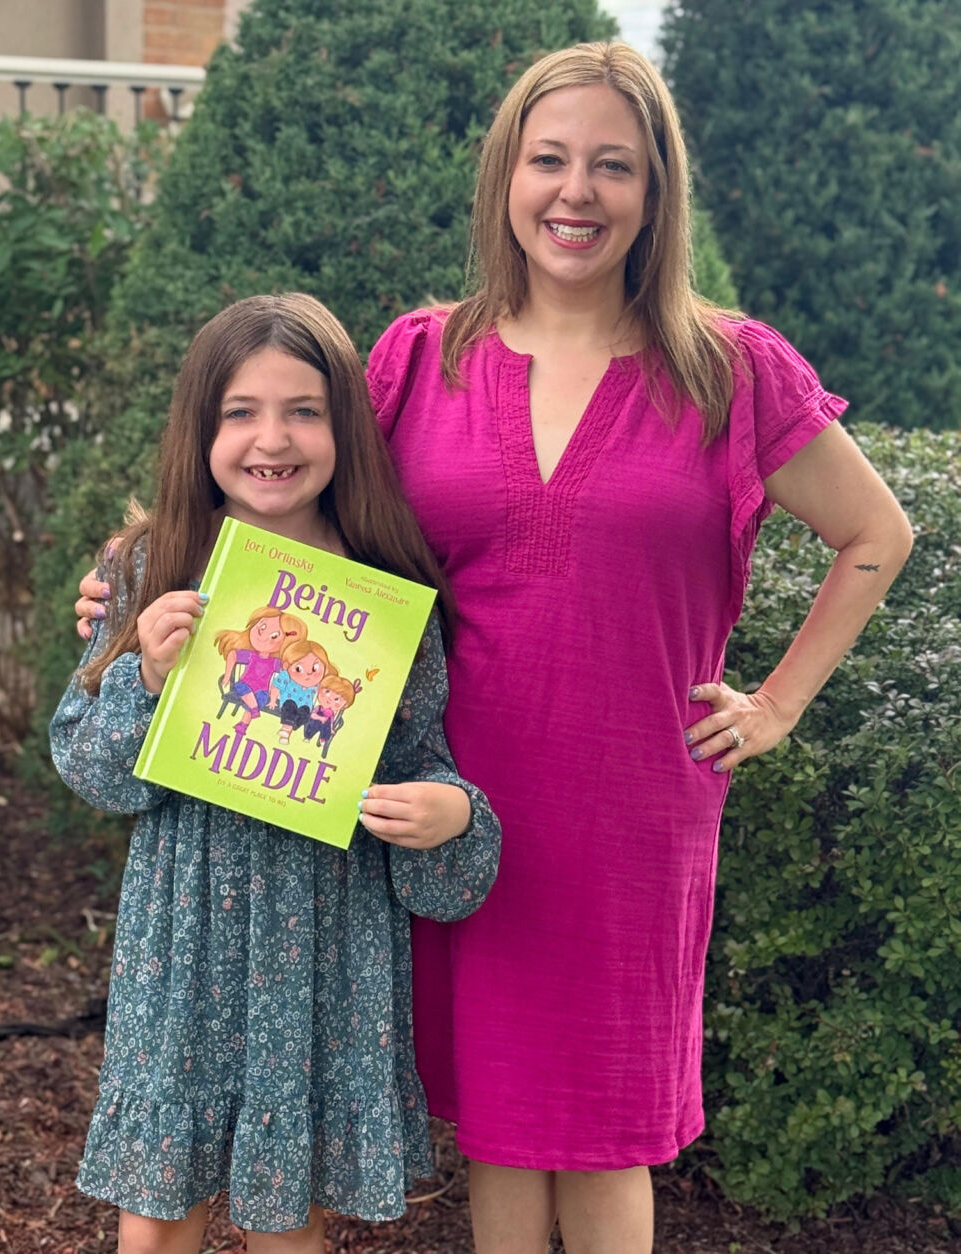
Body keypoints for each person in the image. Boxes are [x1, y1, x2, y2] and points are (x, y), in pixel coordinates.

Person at [76, 42, 914, 1254]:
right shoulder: (422, 355)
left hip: (629, 809)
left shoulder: (727, 367)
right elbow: (292, 493)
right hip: (442, 804)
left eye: (611, 167)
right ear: (505, 179)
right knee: (500, 1131)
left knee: (608, 1130)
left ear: (654, 191)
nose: (576, 193)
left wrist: (778, 703)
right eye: (550, 160)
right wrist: (138, 572)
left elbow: (875, 535)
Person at [53, 292, 501, 1252]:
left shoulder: (386, 599)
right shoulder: (147, 569)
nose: (273, 437)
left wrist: (451, 818)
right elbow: (87, 766)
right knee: (158, 1215)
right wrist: (145, 676)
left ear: (345, 426)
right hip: (184, 948)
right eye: (241, 412)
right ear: (199, 429)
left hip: (325, 955)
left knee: (287, 1218)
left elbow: (424, 766)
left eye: (304, 410)